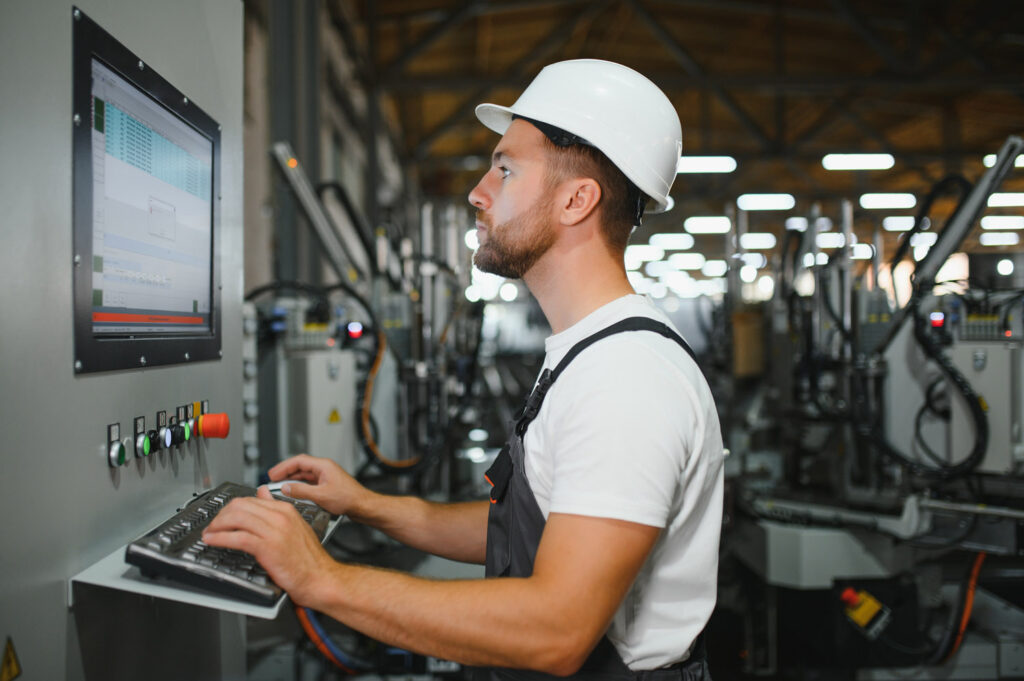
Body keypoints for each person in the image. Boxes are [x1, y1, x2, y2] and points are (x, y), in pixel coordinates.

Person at [204, 59, 725, 681]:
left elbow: (555, 629)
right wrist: (368, 505)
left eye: (505, 169)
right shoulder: (587, 353)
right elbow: (529, 530)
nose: (478, 191)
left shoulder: (626, 379)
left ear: (576, 199)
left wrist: (321, 579)